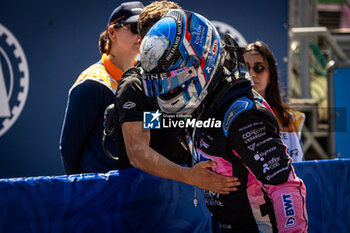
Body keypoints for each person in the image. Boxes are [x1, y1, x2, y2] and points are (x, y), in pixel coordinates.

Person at [139, 9, 308, 232]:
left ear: (201, 63)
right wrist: (134, 120)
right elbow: (171, 122)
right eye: (162, 86)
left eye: (174, 83)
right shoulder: (205, 104)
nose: (168, 92)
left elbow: (285, 187)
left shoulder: (243, 116)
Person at [108, 0, 240, 195]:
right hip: (142, 202)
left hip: (187, 198)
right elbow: (137, 152)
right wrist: (190, 176)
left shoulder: (193, 76)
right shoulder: (134, 84)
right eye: (167, 31)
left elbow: (187, 123)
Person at [59, 1, 144, 174]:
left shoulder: (148, 76)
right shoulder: (92, 84)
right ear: (112, 33)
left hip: (142, 189)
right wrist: (87, 194)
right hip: (103, 193)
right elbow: (69, 152)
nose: (141, 34)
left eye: (145, 28)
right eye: (135, 27)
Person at [244, 41, 305, 162]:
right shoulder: (224, 116)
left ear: (271, 75)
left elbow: (300, 167)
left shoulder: (291, 118)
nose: (251, 74)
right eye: (245, 67)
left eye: (259, 68)